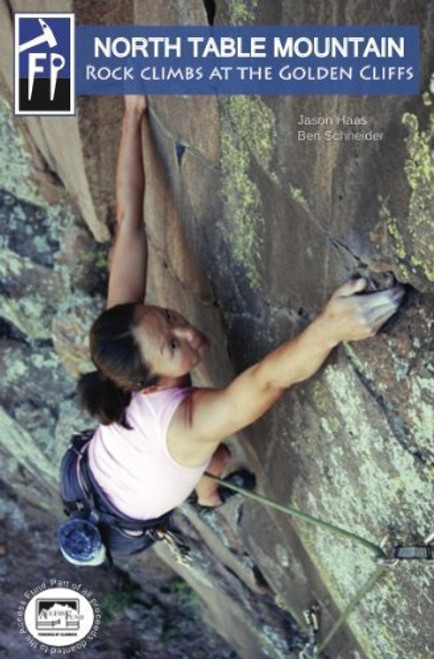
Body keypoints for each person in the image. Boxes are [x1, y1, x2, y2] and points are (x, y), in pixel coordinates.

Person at [60, 95, 404, 565]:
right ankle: (207, 494)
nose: (187, 332)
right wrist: (332, 327)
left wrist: (133, 116)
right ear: (147, 382)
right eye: (173, 345)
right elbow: (266, 380)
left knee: (213, 455)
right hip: (124, 519)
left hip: (90, 472)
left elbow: (130, 225)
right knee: (213, 454)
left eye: (169, 317)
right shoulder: (184, 423)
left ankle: (209, 487)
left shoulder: (128, 341)